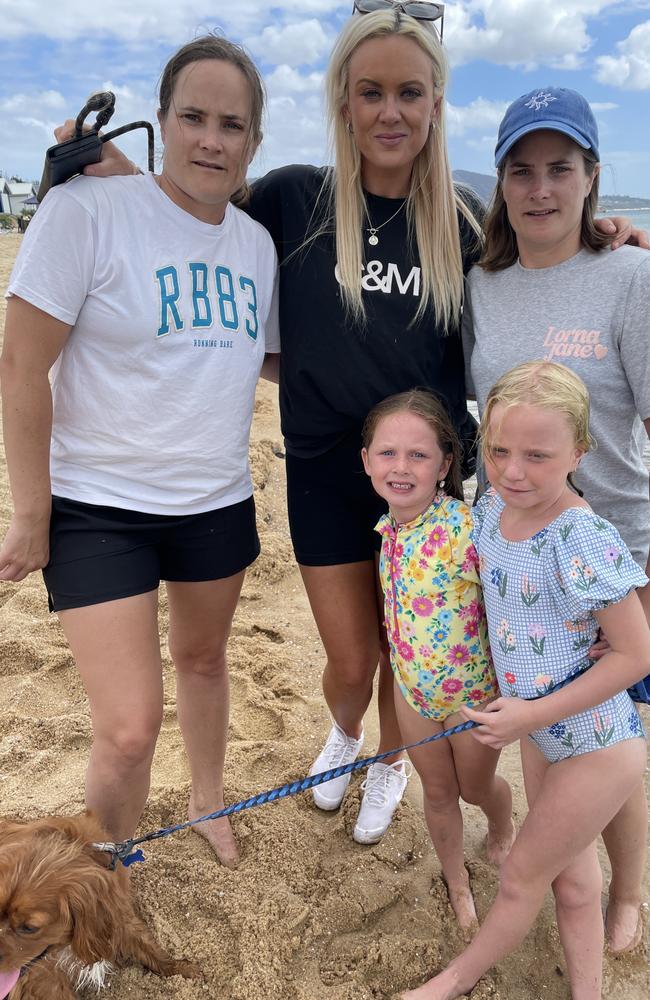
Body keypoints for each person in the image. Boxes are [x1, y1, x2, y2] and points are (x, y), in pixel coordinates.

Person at [54, 3, 645, 846]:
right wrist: (111, 168)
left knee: (412, 655)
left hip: (432, 488)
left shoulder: (467, 221)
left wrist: (612, 236)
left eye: (410, 92)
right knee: (350, 660)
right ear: (344, 102)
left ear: (436, 105)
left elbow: (544, 263)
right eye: (371, 92)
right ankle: (345, 733)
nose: (391, 111)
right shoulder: (296, 197)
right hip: (330, 467)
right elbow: (193, 206)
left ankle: (389, 762)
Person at [0, 35, 280, 869]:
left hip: (216, 499)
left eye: (232, 124)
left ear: (254, 143)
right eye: (192, 116)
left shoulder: (257, 247)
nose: (211, 139)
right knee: (126, 729)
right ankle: (107, 870)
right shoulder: (85, 211)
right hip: (97, 506)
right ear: (161, 122)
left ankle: (206, 799)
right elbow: (21, 363)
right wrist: (32, 512)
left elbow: (261, 360)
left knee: (202, 659)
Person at [462, 85, 650, 954]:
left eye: (560, 169)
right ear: (501, 184)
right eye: (522, 170)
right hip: (515, 556)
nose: (541, 188)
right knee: (545, 725)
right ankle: (570, 873)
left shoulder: (631, 275)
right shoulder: (482, 285)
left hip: (617, 547)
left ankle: (627, 892)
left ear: (592, 179)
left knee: (619, 731)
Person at [401, 361, 650, 1000]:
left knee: (521, 879)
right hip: (540, 734)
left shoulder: (585, 537)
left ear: (580, 450)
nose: (513, 471)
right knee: (572, 882)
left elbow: (636, 655)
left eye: (537, 455)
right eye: (499, 449)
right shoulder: (488, 508)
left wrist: (533, 716)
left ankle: (454, 981)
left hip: (595, 743)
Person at [361, 388, 514, 936]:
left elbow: (515, 591)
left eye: (418, 455)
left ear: (445, 464)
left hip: (471, 695)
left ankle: (501, 821)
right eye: (387, 453)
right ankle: (456, 880)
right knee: (439, 791)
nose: (401, 468)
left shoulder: (462, 528)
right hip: (412, 692)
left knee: (475, 788)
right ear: (366, 461)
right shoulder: (387, 529)